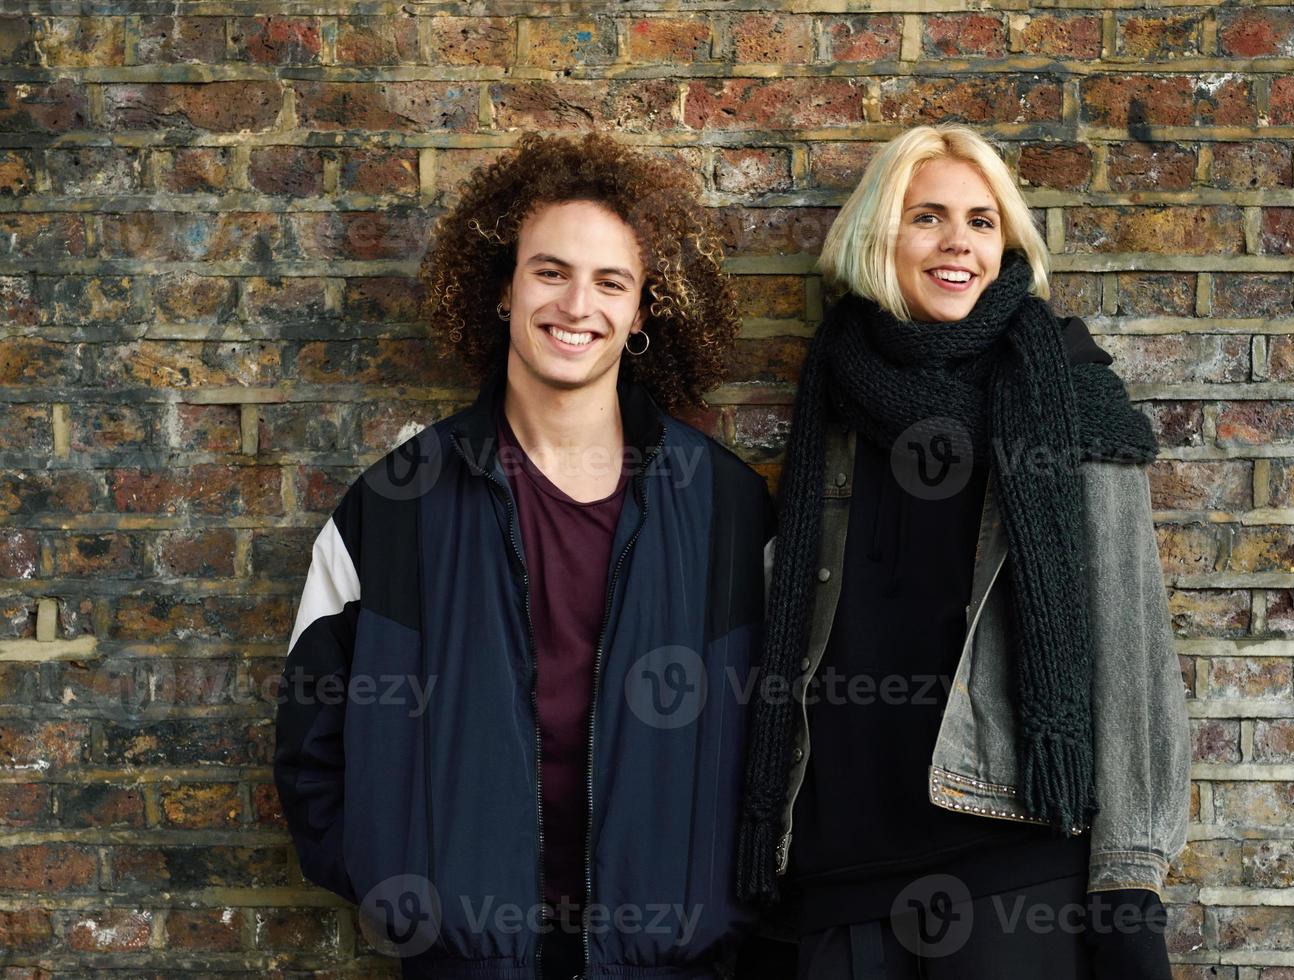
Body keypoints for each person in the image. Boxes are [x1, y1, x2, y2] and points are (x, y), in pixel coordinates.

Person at [273, 132, 774, 980]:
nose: (576, 304)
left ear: (644, 308)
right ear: (503, 288)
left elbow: (786, 734)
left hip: (674, 960)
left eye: (610, 281)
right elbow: (309, 740)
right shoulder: (395, 505)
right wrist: (397, 884)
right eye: (550, 271)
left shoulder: (727, 508)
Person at [733, 124, 1191, 979]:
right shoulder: (832, 390)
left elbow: (1130, 647)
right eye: (927, 218)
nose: (958, 245)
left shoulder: (1067, 393)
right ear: (879, 235)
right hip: (833, 886)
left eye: (983, 222)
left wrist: (1128, 884)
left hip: (1008, 877)